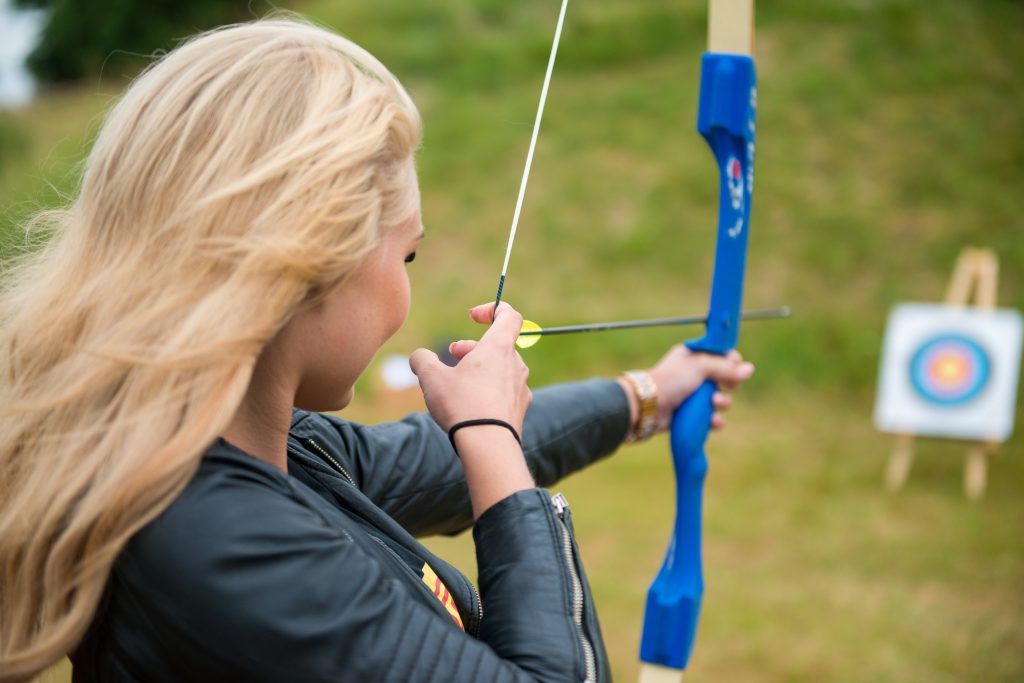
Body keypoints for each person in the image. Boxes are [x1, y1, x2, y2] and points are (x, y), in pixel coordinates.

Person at [0, 18, 754, 683]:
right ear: (306, 266)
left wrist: (649, 393)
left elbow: (431, 460)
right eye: (408, 256)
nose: (406, 289)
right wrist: (491, 436)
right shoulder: (214, 543)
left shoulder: (244, 451)